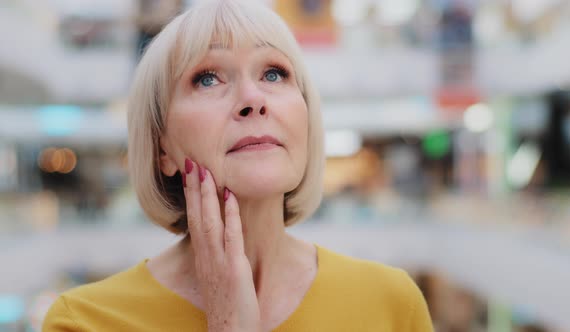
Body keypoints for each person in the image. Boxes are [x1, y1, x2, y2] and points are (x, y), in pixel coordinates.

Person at [43, 0, 434, 331]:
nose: (253, 98)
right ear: (162, 147)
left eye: (274, 73)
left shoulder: (392, 306)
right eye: (208, 79)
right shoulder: (84, 321)